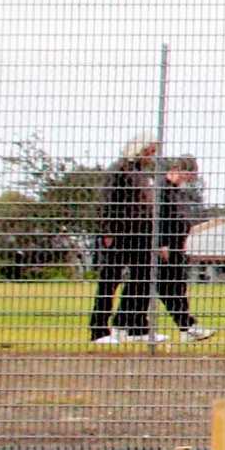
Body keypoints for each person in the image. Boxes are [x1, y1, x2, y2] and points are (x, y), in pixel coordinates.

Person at [87, 136, 156, 345]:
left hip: (141, 234)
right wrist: (108, 231)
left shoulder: (141, 174)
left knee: (143, 278)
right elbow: (107, 201)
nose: (151, 156)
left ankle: (135, 325)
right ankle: (99, 329)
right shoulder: (119, 170)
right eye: (149, 151)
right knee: (110, 280)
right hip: (120, 233)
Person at [151, 154, 215, 343]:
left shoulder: (176, 191)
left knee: (177, 287)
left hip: (178, 247)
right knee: (167, 287)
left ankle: (186, 327)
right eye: (189, 174)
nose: (189, 180)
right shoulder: (161, 189)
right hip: (166, 247)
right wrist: (161, 243)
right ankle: (187, 326)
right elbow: (159, 218)